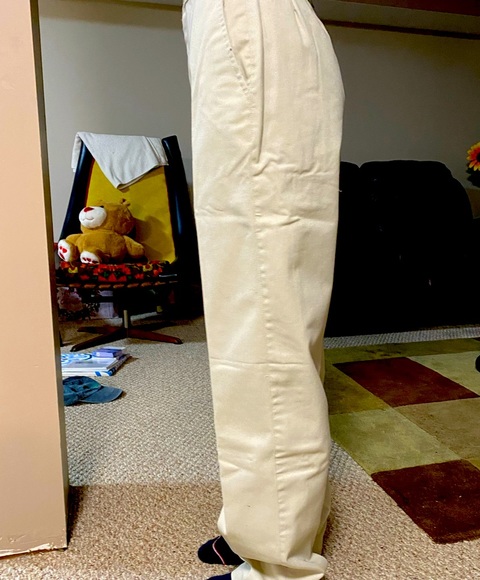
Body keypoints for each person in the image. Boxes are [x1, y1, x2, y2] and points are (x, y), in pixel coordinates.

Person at [182, 1, 344, 578]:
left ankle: (277, 565)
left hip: (248, 23)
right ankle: (266, 522)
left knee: (263, 319)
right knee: (275, 308)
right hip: (254, 28)